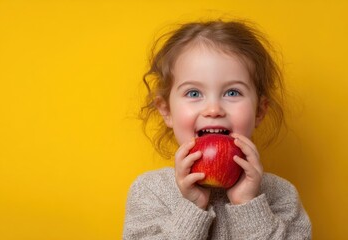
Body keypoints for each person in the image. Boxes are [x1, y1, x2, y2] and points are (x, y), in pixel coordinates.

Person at [123, 19, 311, 239]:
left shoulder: (281, 194)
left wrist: (249, 206)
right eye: (193, 93)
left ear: (259, 111)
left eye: (232, 92)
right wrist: (191, 209)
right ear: (166, 111)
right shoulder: (150, 192)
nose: (213, 109)